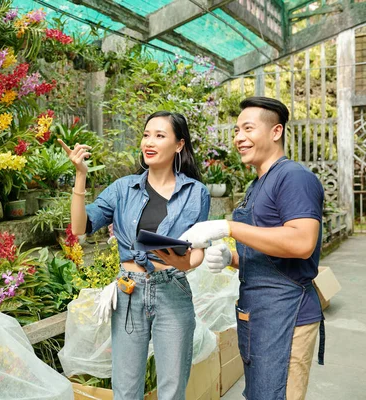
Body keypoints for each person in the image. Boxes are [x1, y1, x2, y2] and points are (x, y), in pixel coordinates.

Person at [180, 97, 325, 400]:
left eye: (248, 129)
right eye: (236, 131)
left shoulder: (293, 177)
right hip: (257, 315)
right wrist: (232, 257)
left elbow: (301, 243)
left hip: (287, 314)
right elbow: (268, 250)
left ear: (276, 132)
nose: (238, 138)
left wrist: (229, 227)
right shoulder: (256, 185)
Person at [59, 111, 210, 400]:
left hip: (172, 289)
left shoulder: (196, 192)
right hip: (129, 291)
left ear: (179, 144)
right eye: (146, 134)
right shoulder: (123, 188)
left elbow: (197, 254)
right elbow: (80, 227)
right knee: (126, 390)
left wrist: (180, 261)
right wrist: (80, 176)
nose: (149, 142)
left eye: (160, 135)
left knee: (172, 389)